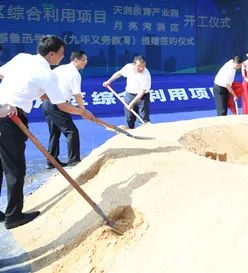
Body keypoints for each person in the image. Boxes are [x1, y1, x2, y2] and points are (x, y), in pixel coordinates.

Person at [0, 35, 94, 229]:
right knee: (15, 169)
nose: (62, 57)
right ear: (51, 54)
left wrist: (31, 90)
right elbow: (62, 105)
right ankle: (13, 216)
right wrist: (82, 112)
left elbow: (2, 74)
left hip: (2, 108)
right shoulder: (47, 74)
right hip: (11, 118)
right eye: (61, 53)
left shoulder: (22, 58)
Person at [43, 50, 88, 169]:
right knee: (71, 132)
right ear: (76, 60)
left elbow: (46, 81)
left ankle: (51, 161)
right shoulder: (75, 74)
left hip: (47, 103)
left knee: (54, 133)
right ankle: (74, 161)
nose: (86, 62)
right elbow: (77, 94)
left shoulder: (60, 68)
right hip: (58, 105)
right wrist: (83, 110)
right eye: (84, 60)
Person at [103, 55, 151, 129]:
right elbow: (119, 73)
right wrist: (109, 81)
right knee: (129, 119)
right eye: (139, 66)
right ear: (134, 64)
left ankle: (145, 131)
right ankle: (131, 131)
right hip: (129, 95)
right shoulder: (128, 67)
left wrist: (132, 103)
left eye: (143, 66)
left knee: (143, 119)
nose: (141, 68)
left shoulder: (146, 74)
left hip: (142, 97)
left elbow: (142, 92)